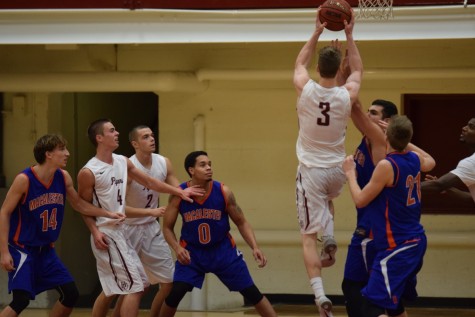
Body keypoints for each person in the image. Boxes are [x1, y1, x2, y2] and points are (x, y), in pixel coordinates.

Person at [77, 119, 203, 317]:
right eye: (112, 130)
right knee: (128, 288)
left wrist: (180, 192)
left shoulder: (123, 161)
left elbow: (150, 181)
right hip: (115, 231)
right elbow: (83, 206)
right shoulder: (89, 171)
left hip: (137, 230)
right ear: (99, 138)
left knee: (139, 285)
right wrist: (94, 230)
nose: (117, 133)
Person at [0, 134, 124, 317]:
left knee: (70, 294)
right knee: (21, 299)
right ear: (48, 154)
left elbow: (79, 204)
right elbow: (4, 212)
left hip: (46, 250)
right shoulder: (24, 179)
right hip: (22, 248)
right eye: (62, 149)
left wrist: (107, 213)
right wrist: (4, 252)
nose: (67, 153)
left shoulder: (63, 177)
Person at [292, 6, 362, 316]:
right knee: (327, 205)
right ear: (337, 69)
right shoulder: (347, 94)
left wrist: (317, 31)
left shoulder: (305, 90)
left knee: (307, 236)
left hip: (311, 170)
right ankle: (330, 233)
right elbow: (358, 70)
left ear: (319, 67)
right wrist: (349, 35)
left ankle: (319, 295)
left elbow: (299, 62)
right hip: (337, 170)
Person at [344, 100, 435, 317]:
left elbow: (359, 200)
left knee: (370, 307)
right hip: (412, 241)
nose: (368, 116)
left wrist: (350, 174)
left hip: (399, 245)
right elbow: (430, 161)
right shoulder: (413, 158)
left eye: (373, 113)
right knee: (393, 306)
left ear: (385, 131)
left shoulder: (387, 165)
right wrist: (402, 139)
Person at [158, 151, 277, 317]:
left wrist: (255, 247)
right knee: (175, 293)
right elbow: (167, 228)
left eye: (209, 164)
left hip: (222, 251)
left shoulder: (223, 191)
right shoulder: (180, 194)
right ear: (191, 170)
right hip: (193, 252)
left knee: (252, 293)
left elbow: (241, 222)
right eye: (203, 165)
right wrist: (177, 248)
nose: (208, 168)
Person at [99, 125, 178, 317]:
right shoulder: (127, 168)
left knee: (169, 282)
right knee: (121, 288)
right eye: (145, 137)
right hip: (127, 230)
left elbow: (179, 190)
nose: (152, 139)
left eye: (152, 135)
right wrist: (149, 212)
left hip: (151, 229)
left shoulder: (163, 162)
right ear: (135, 144)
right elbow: (119, 208)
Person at [422, 117, 475, 205]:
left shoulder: (472, 162)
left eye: (471, 126)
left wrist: (403, 187)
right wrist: (446, 187)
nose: (464, 128)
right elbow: (470, 197)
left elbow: (438, 185)